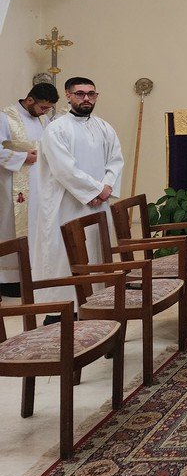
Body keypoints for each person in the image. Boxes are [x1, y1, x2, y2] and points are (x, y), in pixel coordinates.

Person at [35, 77, 123, 317]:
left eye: (91, 94)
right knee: (64, 255)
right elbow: (64, 169)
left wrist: (104, 189)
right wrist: (95, 190)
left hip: (98, 205)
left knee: (97, 252)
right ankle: (61, 311)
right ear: (68, 95)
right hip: (66, 205)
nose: (86, 98)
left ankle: (95, 303)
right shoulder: (56, 129)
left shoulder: (104, 127)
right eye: (80, 94)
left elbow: (115, 161)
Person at [0, 82, 58, 296]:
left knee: (36, 226)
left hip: (39, 184)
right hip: (13, 185)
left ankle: (32, 274)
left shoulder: (42, 118)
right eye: (43, 107)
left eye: (49, 109)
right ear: (30, 100)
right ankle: (8, 279)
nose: (45, 112)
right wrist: (22, 156)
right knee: (11, 227)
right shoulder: (5, 117)